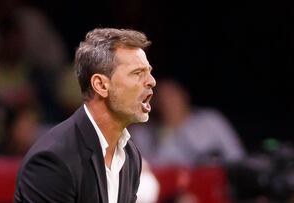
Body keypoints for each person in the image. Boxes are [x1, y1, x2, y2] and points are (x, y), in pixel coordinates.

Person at [14, 28, 156, 203]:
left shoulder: (130, 156)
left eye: (148, 71)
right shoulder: (54, 159)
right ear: (101, 85)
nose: (151, 81)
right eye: (137, 73)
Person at [130, 78, 245, 168]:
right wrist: (166, 131)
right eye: (161, 99)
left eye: (171, 96)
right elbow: (151, 170)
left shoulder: (211, 121)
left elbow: (236, 156)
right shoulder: (143, 133)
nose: (167, 104)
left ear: (184, 96)